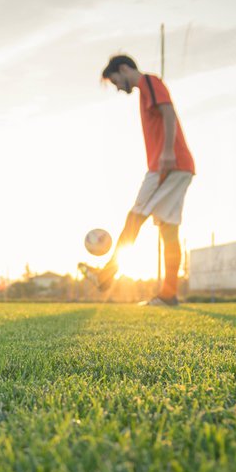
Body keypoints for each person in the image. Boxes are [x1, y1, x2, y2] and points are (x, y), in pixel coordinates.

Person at [84, 54, 195, 306]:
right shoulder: (145, 91)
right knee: (169, 230)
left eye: (115, 82)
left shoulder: (150, 83)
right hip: (179, 166)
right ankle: (169, 295)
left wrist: (167, 151)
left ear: (124, 69)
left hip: (168, 164)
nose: (117, 88)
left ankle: (106, 274)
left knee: (135, 216)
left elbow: (168, 112)